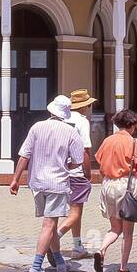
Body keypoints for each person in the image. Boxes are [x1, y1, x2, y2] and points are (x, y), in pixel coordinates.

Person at [9, 95, 85, 272]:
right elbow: (78, 160)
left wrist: (15, 179)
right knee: (49, 224)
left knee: (51, 224)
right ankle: (36, 266)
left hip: (37, 183)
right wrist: (66, 166)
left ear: (51, 110)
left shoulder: (37, 127)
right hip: (57, 183)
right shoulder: (71, 131)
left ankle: (59, 262)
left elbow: (24, 155)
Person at [93, 109, 137, 272]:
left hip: (108, 184)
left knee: (114, 228)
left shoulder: (108, 141)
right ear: (131, 124)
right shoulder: (134, 142)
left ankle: (101, 249)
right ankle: (123, 268)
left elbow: (101, 164)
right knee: (127, 232)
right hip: (127, 185)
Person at [57, 88, 96, 258]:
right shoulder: (82, 121)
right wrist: (88, 174)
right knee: (76, 211)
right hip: (77, 170)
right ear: (83, 107)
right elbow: (85, 150)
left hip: (59, 169)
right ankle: (55, 236)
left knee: (73, 210)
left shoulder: (60, 119)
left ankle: (77, 245)